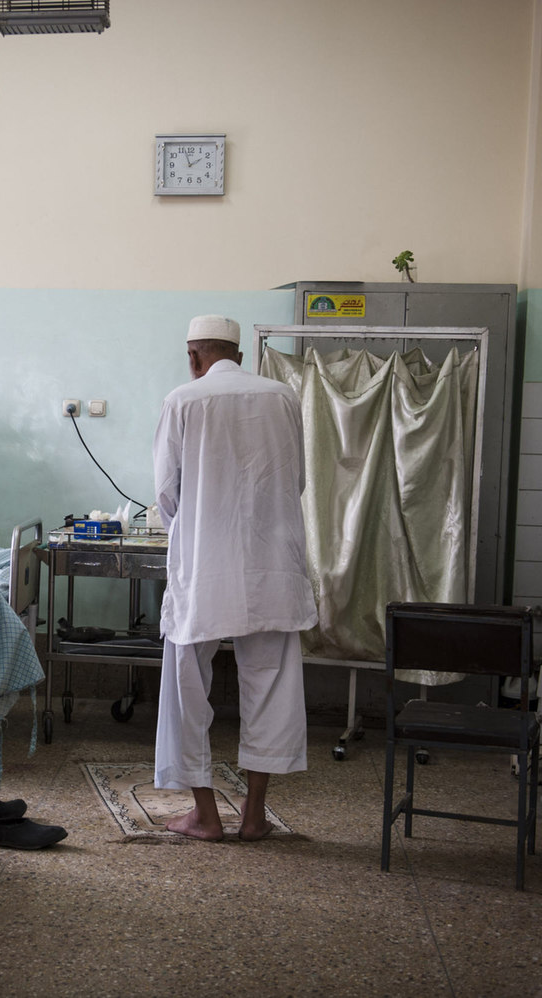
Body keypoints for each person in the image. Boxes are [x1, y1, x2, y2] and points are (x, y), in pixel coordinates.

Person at [152, 315, 318, 841]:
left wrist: (196, 526)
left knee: (186, 685)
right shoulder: (283, 397)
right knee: (271, 684)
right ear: (239, 356)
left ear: (194, 357)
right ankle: (253, 815)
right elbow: (297, 481)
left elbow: (167, 495)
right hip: (273, 565)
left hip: (205, 569)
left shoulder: (184, 399)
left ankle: (203, 814)